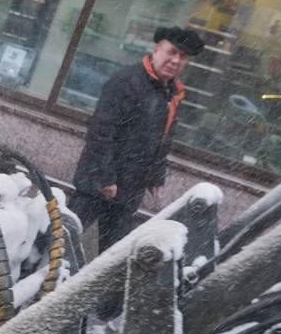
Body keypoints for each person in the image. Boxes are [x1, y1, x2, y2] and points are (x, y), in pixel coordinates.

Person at [70, 26, 205, 255]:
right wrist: (106, 177)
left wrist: (156, 176)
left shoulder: (171, 91)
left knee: (113, 257)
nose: (175, 60)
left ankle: (97, 290)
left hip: (131, 187)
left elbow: (162, 137)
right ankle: (26, 275)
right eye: (171, 52)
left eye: (182, 57)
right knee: (62, 238)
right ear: (156, 49)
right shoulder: (127, 81)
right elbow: (101, 131)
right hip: (98, 183)